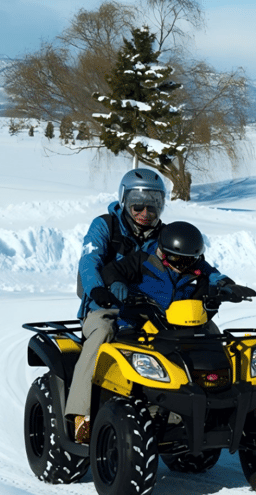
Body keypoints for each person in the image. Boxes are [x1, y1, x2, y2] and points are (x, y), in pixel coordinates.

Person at [67, 168, 167, 444]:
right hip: (105, 306)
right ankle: (80, 418)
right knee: (101, 333)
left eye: (154, 204)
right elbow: (89, 260)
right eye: (138, 204)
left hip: (149, 308)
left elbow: (189, 263)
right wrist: (97, 288)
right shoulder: (105, 226)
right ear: (124, 200)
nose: (146, 212)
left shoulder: (164, 236)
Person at [101, 221, 254, 330]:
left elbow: (214, 276)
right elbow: (112, 270)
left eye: (188, 260)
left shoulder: (195, 266)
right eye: (176, 259)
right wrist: (116, 283)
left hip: (182, 323)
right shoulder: (143, 259)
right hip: (141, 320)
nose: (182, 266)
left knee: (213, 337)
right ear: (162, 251)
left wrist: (228, 286)